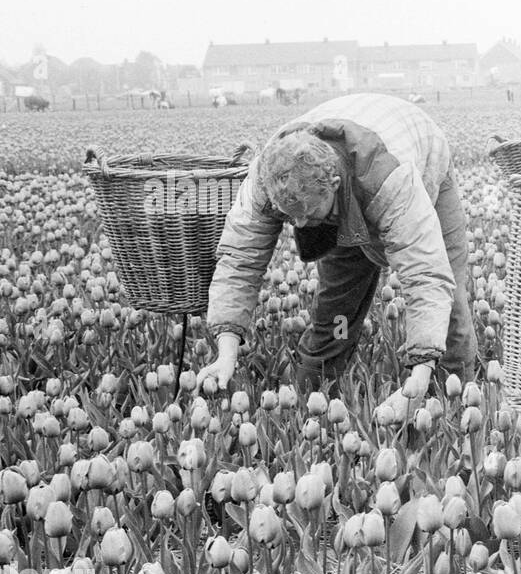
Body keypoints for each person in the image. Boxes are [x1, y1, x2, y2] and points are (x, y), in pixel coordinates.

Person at [198, 92, 477, 402]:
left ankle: (450, 394)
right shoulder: (266, 181)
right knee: (338, 310)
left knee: (449, 302)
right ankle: (315, 392)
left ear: (333, 183)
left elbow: (426, 273)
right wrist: (226, 353)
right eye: (291, 216)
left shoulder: (389, 178)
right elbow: (239, 261)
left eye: (308, 213)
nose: (300, 225)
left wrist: (421, 369)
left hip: (419, 153)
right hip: (342, 199)